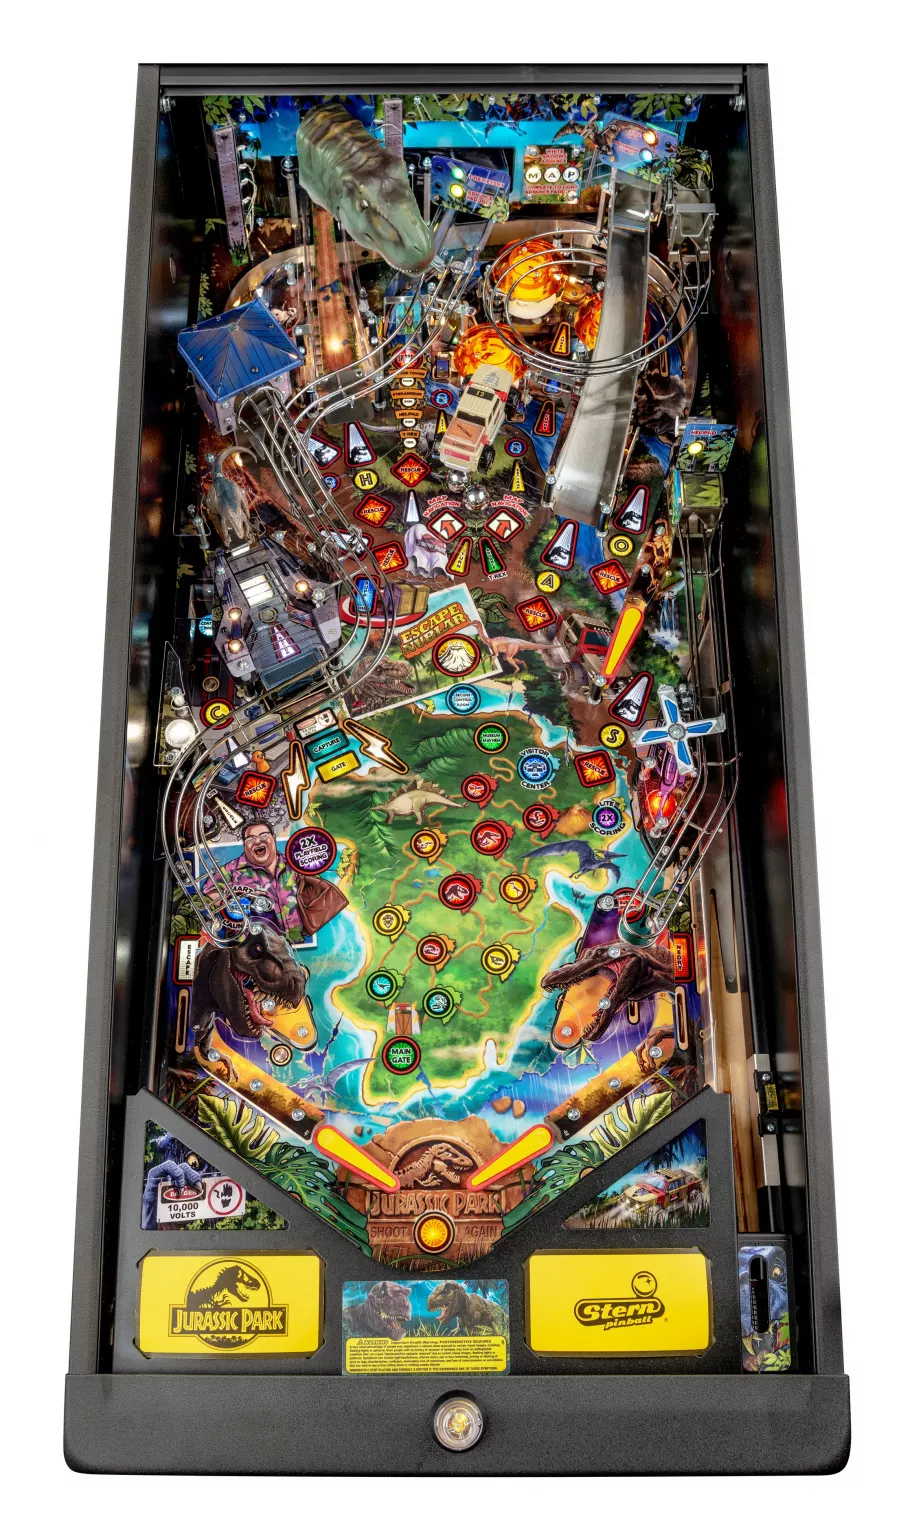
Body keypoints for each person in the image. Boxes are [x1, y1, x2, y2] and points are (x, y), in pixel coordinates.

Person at [213, 818, 307, 945]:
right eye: (251, 839)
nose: (257, 841)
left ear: (273, 838)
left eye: (264, 836)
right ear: (244, 844)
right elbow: (209, 894)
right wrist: (238, 902)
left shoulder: (294, 866)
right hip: (251, 948)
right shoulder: (232, 869)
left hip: (297, 945)